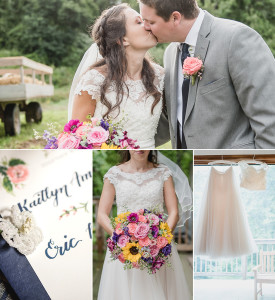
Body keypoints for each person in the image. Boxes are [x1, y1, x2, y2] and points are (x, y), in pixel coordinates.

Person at [139, 0, 275, 149]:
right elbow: (175, 117)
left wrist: (263, 169)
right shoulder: (171, 52)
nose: (145, 28)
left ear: (175, 18)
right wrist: (122, 139)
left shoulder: (236, 38)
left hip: (235, 167)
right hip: (190, 166)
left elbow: (269, 118)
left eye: (150, 22)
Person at [69, 4, 169, 149]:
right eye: (139, 22)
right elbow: (78, 142)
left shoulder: (160, 76)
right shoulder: (93, 82)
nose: (148, 25)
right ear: (123, 40)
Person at [96, 150, 192, 300]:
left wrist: (160, 240)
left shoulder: (163, 173)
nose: (139, 148)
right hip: (123, 248)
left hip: (158, 247)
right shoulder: (114, 174)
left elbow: (174, 212)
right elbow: (102, 215)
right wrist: (122, 239)